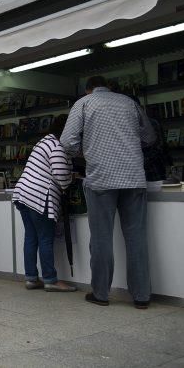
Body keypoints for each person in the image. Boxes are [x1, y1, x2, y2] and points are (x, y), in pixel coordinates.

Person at [60, 75, 156, 309]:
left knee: (101, 238)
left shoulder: (83, 104)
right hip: (134, 177)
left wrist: (86, 151)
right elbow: (149, 138)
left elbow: (66, 142)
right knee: (136, 238)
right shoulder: (130, 103)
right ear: (110, 87)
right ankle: (142, 296)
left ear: (87, 90)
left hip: (101, 178)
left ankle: (101, 294)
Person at [12, 114, 75, 292]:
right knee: (45, 238)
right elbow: (61, 176)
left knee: (31, 237)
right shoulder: (57, 145)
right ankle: (51, 280)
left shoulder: (43, 141)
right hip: (40, 196)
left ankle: (31, 278)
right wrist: (71, 177)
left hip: (23, 194)